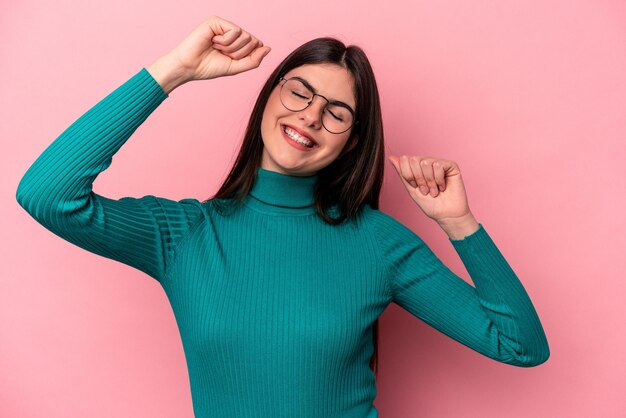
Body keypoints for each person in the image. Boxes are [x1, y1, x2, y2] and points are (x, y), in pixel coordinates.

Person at [16, 15, 549, 418]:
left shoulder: (379, 244)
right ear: (268, 97)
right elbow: (46, 194)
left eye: (337, 113)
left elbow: (521, 346)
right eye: (299, 92)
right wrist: (174, 71)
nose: (310, 116)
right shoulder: (184, 235)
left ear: (352, 142)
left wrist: (460, 224)